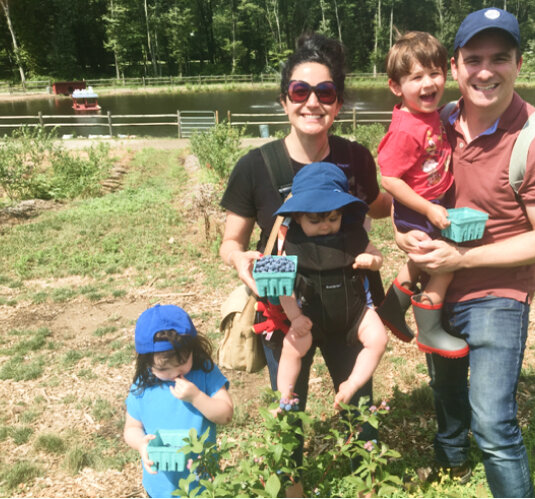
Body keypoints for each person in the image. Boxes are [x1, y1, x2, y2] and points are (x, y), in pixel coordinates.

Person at [394, 8, 535, 497]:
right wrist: (401, 236)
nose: (485, 70)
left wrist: (463, 261)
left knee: (493, 422)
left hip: (498, 292)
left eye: (500, 58)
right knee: (447, 391)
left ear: (518, 64)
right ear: (454, 66)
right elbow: (403, 190)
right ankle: (451, 463)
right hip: (438, 284)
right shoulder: (438, 121)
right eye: (473, 58)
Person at [219, 32, 391, 488]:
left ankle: (365, 481)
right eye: (300, 91)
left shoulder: (355, 158)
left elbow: (380, 207)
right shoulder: (256, 166)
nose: (312, 102)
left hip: (349, 305)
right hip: (288, 309)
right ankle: (289, 484)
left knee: (359, 402)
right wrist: (242, 261)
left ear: (338, 103)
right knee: (288, 403)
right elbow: (230, 242)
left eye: (325, 92)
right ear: (284, 100)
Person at [375, 31, 468, 359]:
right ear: (396, 87)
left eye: (435, 73)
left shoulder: (427, 115)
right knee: (445, 262)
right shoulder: (404, 129)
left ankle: (390, 308)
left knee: (420, 262)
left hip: (430, 203)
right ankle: (429, 330)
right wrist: (427, 209)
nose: (428, 83)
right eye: (416, 77)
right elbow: (390, 180)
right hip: (419, 207)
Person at [273, 162, 388, 410]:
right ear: (297, 216)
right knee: (291, 348)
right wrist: (294, 316)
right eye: (315, 221)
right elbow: (283, 286)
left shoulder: (353, 235)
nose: (326, 225)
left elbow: (376, 255)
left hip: (354, 312)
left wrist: (373, 260)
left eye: (333, 218)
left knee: (378, 339)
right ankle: (285, 393)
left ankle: (353, 383)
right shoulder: (290, 242)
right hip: (310, 315)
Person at [124, 304, 233, 498]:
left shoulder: (204, 372)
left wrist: (197, 397)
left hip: (204, 484)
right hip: (160, 488)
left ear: (193, 349)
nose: (175, 373)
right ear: (146, 362)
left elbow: (225, 415)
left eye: (182, 363)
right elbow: (131, 427)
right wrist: (141, 444)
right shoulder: (143, 385)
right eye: (164, 369)